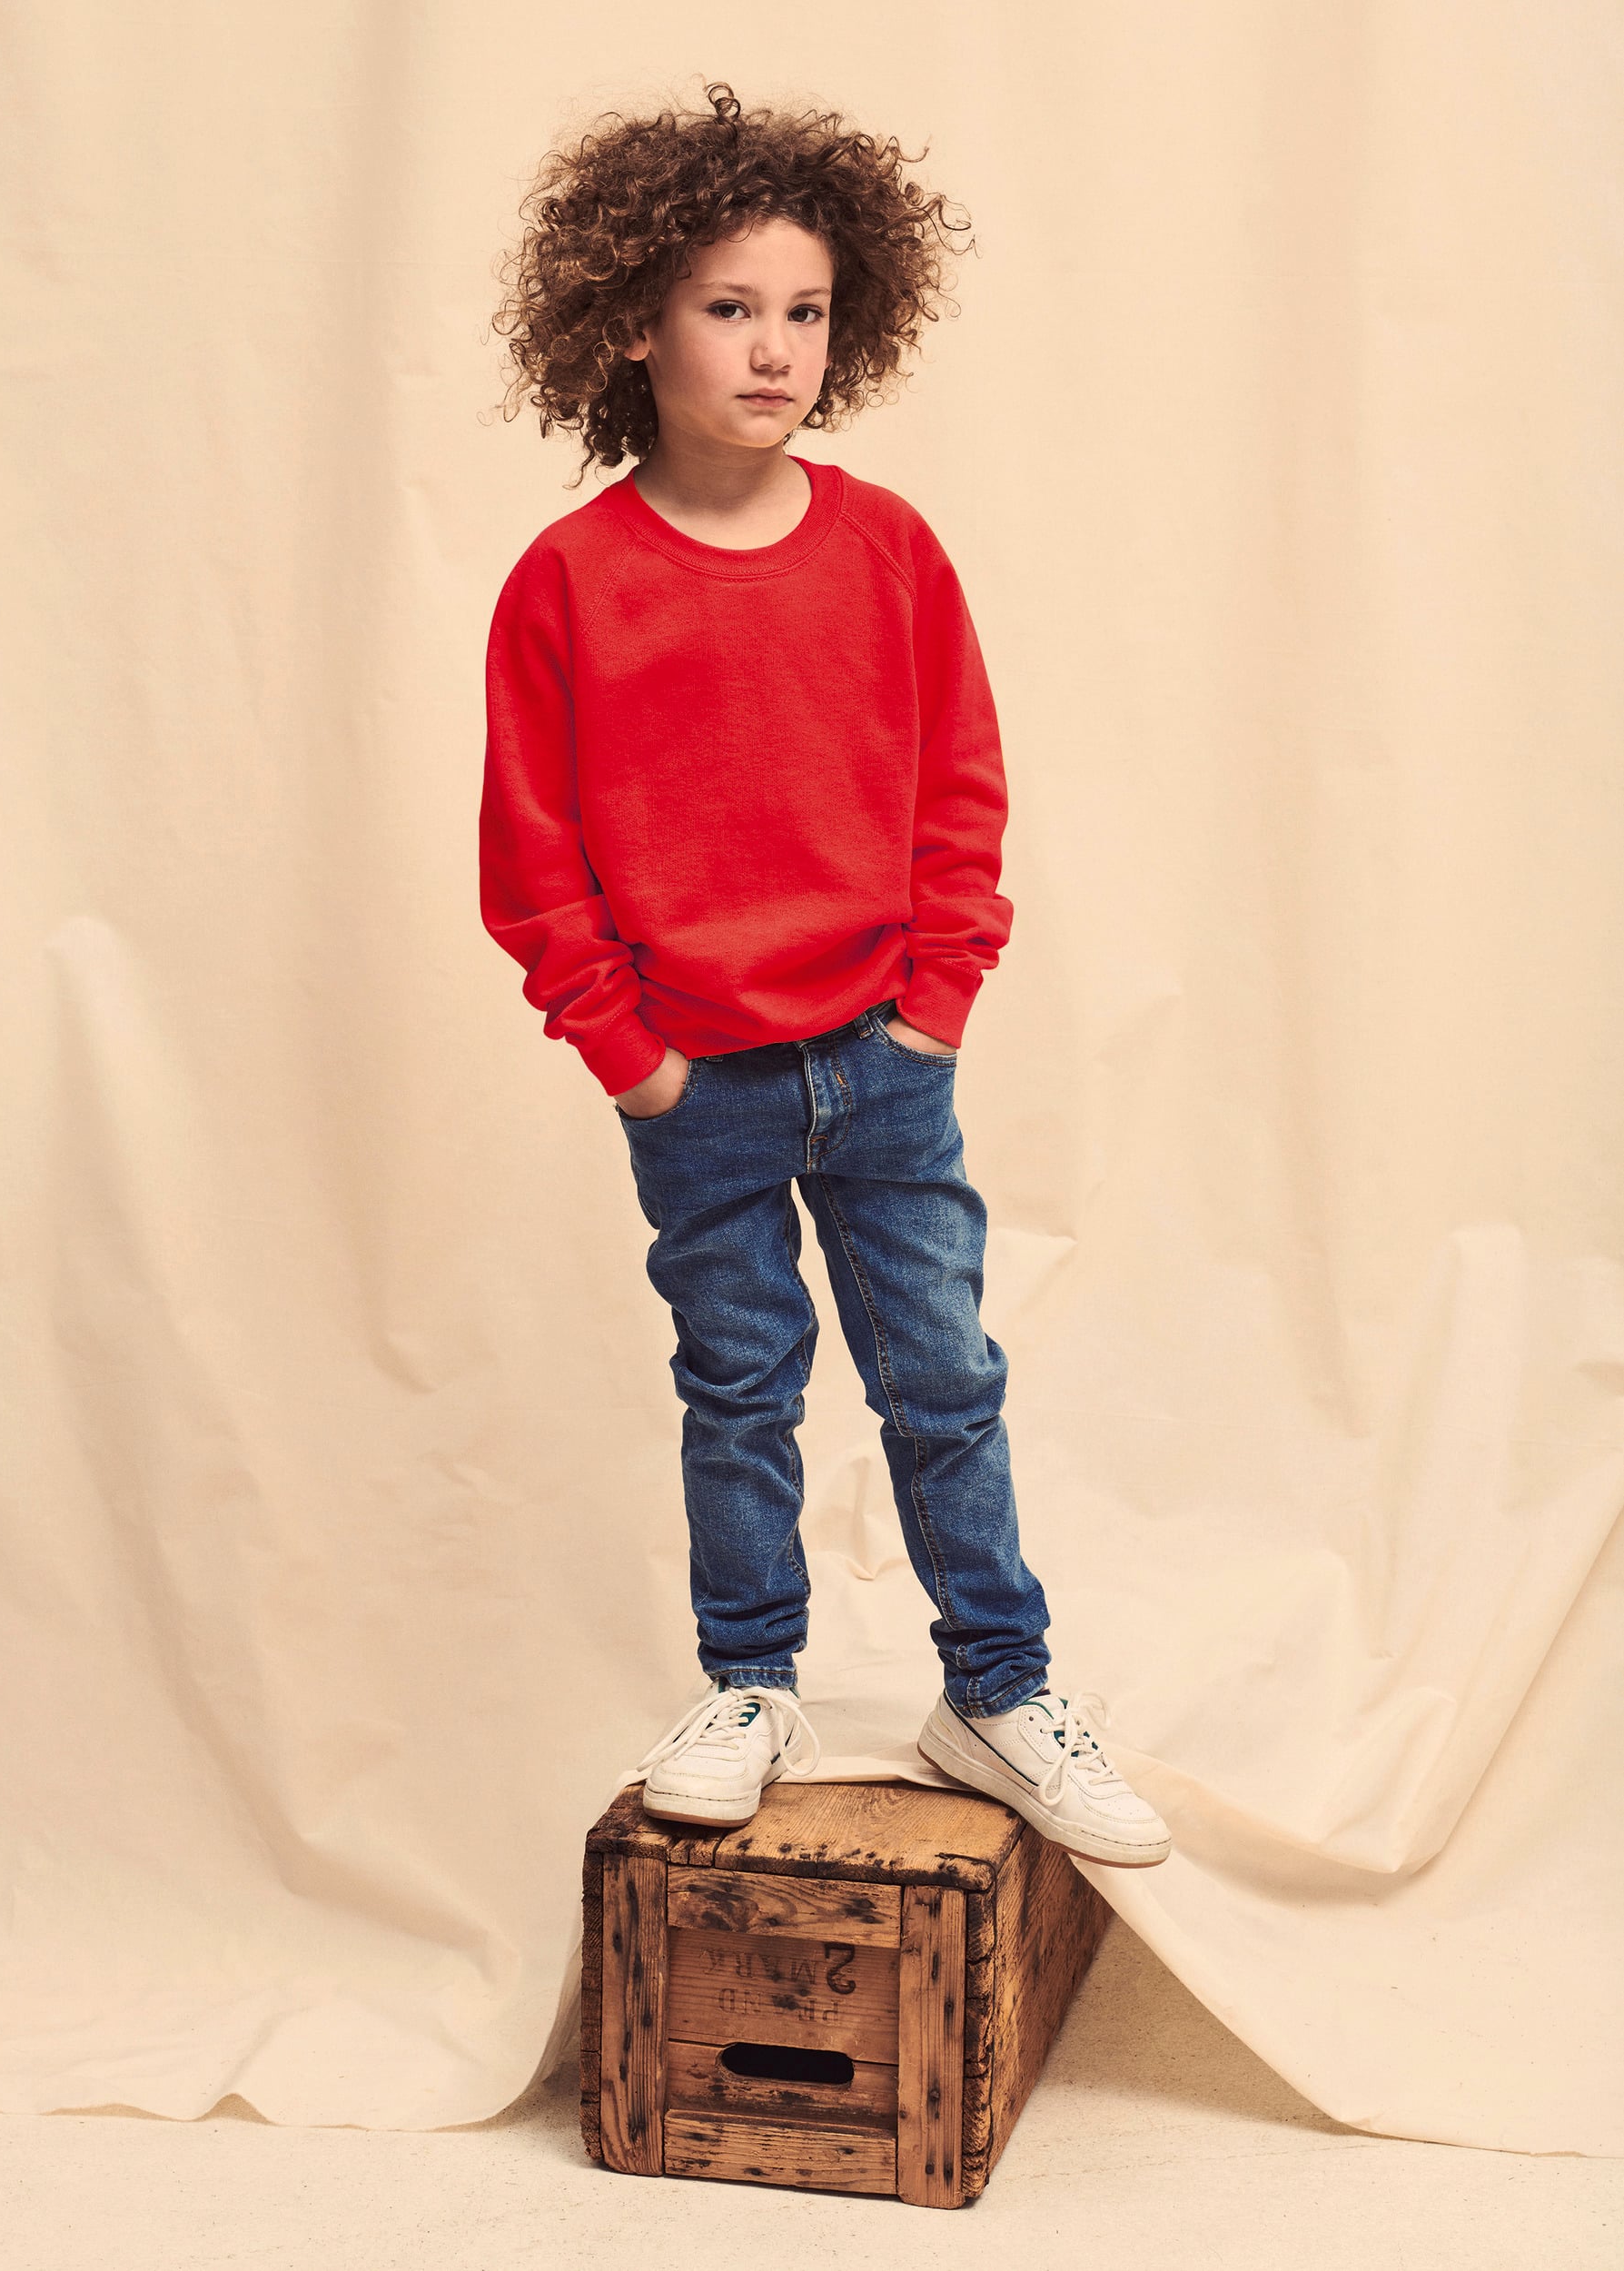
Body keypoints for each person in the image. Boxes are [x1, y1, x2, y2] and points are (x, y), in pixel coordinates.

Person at [480, 83, 1170, 1868]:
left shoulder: (886, 550)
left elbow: (959, 786)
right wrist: (629, 1053)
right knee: (739, 1381)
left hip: (882, 1049)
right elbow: (531, 853)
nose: (773, 347)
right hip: (692, 1073)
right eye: (728, 308)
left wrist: (935, 998)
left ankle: (997, 1690)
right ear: (631, 323)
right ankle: (749, 1681)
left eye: (803, 311)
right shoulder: (567, 582)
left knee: (940, 1376)